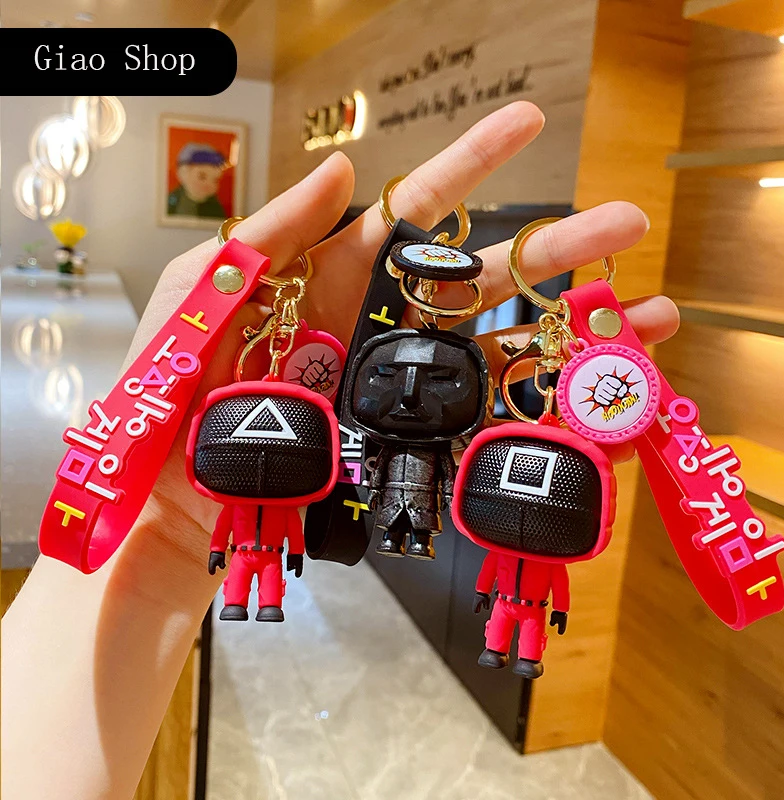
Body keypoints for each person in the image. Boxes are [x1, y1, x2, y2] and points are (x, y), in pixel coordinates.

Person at [1, 101, 679, 800]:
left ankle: (499, 640)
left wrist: (181, 536)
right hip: (282, 508)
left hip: (382, 512)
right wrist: (176, 525)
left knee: (427, 575)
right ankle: (278, 600)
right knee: (266, 561)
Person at [167, 142, 229, 218]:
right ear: (183, 173)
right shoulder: (172, 201)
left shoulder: (215, 207)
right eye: (202, 177)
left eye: (215, 180)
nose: (208, 184)